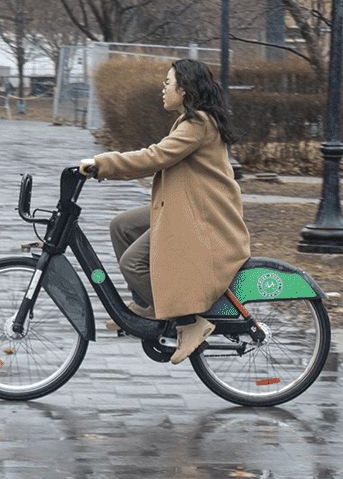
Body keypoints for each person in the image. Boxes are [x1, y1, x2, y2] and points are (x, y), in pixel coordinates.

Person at [79, 59, 250, 364]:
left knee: (133, 264)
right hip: (186, 206)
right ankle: (148, 306)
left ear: (183, 90)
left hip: (204, 217)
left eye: (168, 83)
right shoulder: (190, 121)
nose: (163, 89)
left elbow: (154, 157)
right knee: (122, 226)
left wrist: (102, 164)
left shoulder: (198, 124)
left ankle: (190, 322)